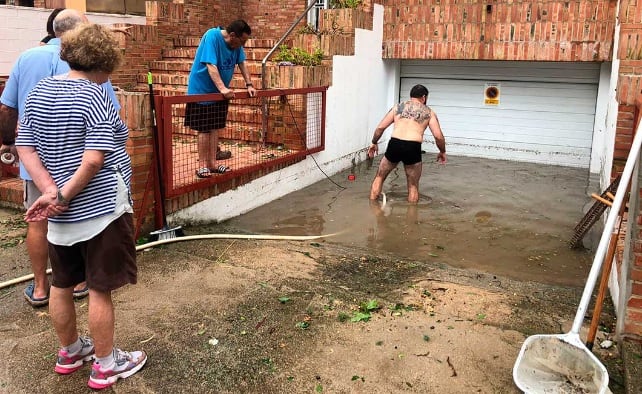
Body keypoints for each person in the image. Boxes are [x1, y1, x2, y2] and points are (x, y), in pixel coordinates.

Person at [16, 23, 146, 390]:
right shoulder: (97, 95)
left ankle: (70, 351)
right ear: (106, 62)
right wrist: (63, 195)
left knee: (62, 283)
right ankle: (106, 365)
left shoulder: (41, 91)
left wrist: (48, 192)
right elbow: (93, 160)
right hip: (100, 207)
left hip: (58, 214)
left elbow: (24, 145)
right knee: (100, 288)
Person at [0, 9, 121, 307]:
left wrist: (8, 144)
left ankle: (42, 287)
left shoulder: (27, 58)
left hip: (37, 167)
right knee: (85, 225)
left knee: (39, 223)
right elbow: (111, 121)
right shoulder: (92, 71)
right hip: (83, 171)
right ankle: (80, 280)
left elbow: (8, 107)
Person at [185, 19, 258, 178]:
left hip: (219, 94)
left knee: (215, 127)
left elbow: (242, 63)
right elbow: (211, 65)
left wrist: (249, 84)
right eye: (242, 41)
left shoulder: (237, 46)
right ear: (232, 35)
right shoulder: (212, 36)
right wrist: (223, 88)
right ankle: (202, 165)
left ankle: (212, 164)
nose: (243, 45)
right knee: (204, 129)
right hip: (201, 91)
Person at [367, 84, 447, 203]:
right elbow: (438, 136)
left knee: (380, 177)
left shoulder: (398, 107)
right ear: (424, 97)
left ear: (411, 96)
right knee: (413, 186)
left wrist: (374, 142)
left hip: (395, 143)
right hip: (413, 147)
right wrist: (442, 151)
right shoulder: (429, 112)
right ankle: (411, 218)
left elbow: (380, 128)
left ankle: (372, 208)